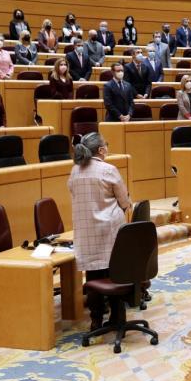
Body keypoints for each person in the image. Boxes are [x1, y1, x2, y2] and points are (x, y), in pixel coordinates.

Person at [68, 132, 133, 331]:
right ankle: (116, 316)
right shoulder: (108, 170)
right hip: (110, 231)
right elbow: (124, 201)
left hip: (86, 231)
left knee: (94, 276)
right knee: (114, 274)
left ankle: (95, 321)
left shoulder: (75, 171)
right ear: (101, 150)